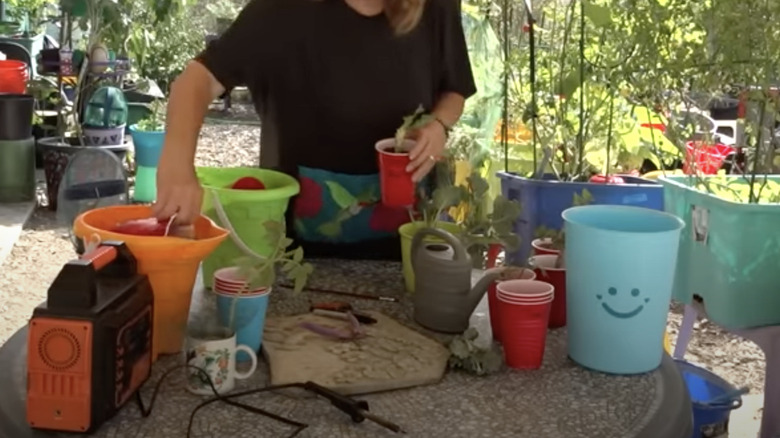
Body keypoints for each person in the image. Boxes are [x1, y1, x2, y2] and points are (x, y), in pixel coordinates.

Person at [152, 0, 476, 260]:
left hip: (406, 253)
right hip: (294, 258)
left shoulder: (436, 7)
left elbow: (453, 90)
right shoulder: (281, 10)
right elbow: (196, 81)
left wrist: (439, 124)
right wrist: (178, 165)